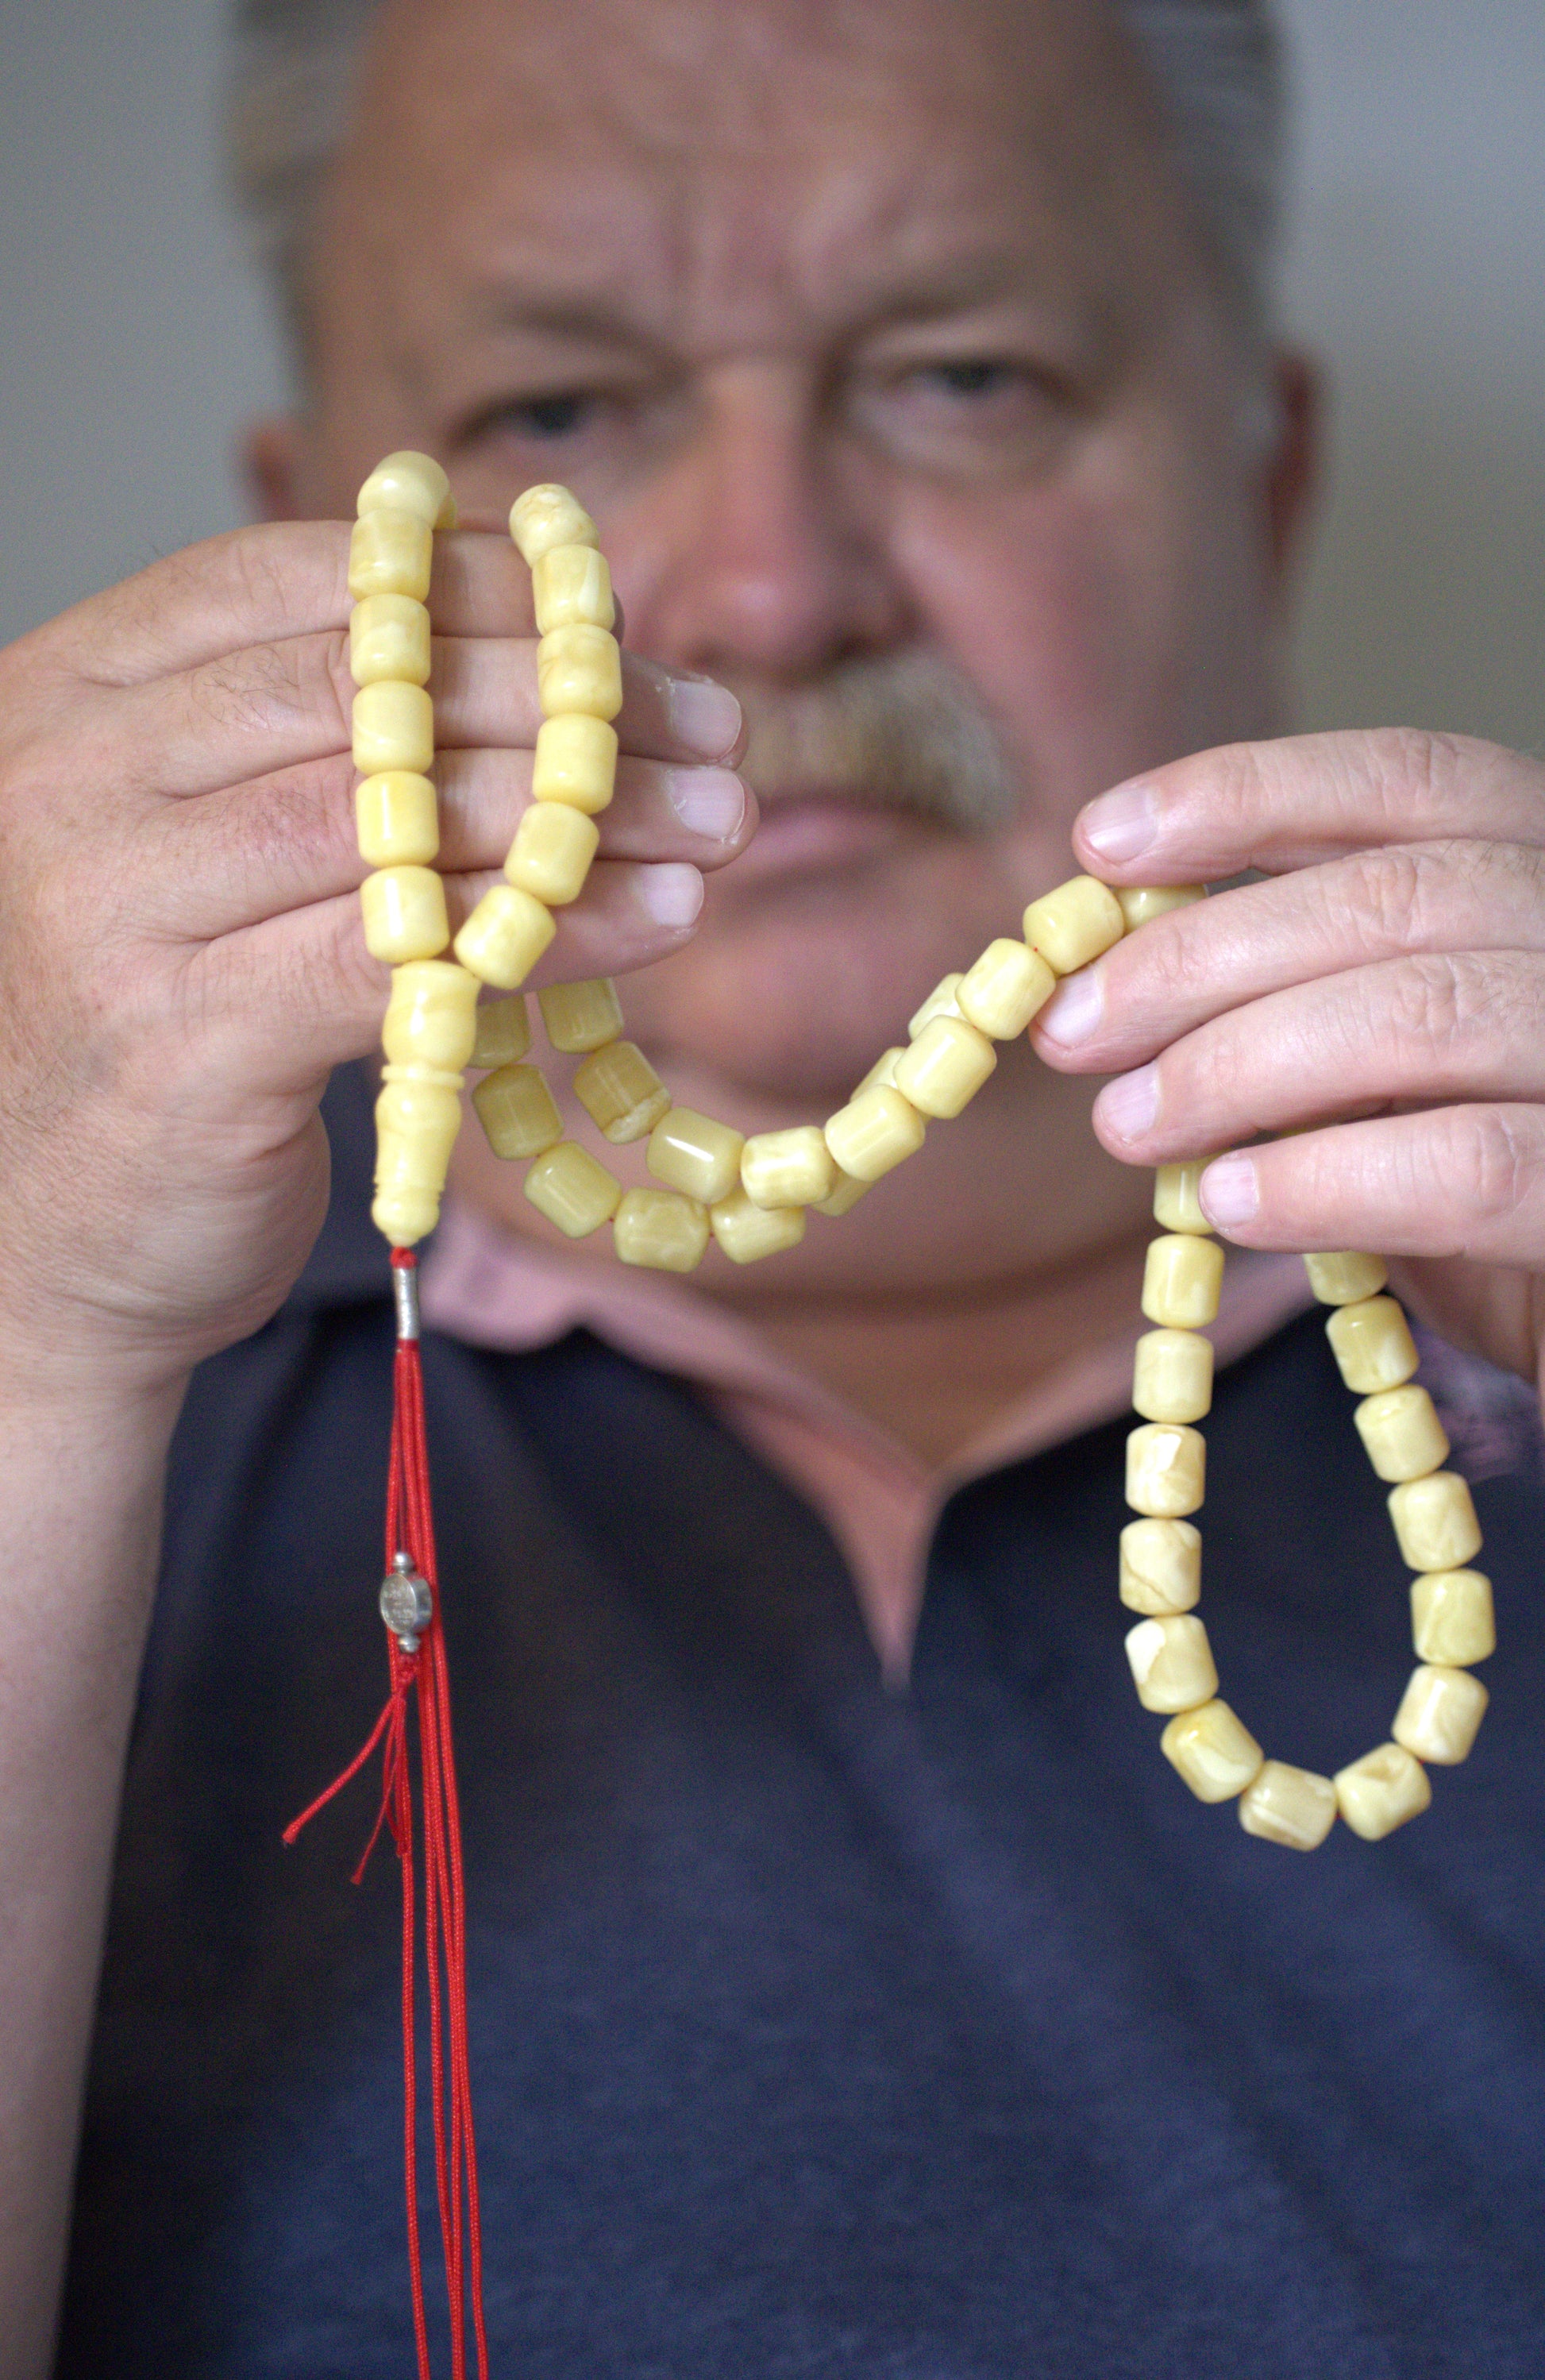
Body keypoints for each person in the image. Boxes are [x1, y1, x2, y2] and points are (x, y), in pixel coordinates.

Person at [2, 0, 1543, 2370]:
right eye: (557, 411)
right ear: (314, 555)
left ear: (1262, 480)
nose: (769, 586)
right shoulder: (70, 1338)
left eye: (961, 377)